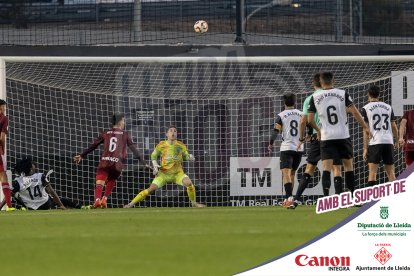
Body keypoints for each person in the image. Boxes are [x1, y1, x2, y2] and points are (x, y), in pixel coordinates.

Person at [307, 72, 370, 201]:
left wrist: (318, 130)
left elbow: (309, 120)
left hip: (327, 137)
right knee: (348, 167)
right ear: (333, 80)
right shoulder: (342, 94)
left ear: (321, 82)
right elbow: (355, 112)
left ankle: (326, 200)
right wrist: (365, 127)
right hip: (343, 135)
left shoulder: (315, 97)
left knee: (326, 169)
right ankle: (353, 197)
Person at [288, 74, 342, 209]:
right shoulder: (333, 96)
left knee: (310, 169)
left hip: (316, 139)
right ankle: (340, 201)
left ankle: (296, 199)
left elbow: (303, 121)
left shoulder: (310, 99)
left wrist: (302, 137)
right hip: (332, 136)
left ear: (314, 84)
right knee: (335, 168)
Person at [74, 113, 149, 209]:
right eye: (124, 121)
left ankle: (97, 200)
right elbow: (134, 150)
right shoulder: (125, 135)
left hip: (105, 162)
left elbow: (94, 145)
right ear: (120, 121)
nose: (124, 123)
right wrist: (144, 163)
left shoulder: (105, 133)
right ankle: (104, 199)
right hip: (118, 164)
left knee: (100, 181)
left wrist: (82, 155)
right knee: (112, 178)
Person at [124, 126, 205, 208]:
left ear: (177, 134)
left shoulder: (181, 145)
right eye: (171, 131)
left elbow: (185, 156)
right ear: (167, 134)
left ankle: (194, 203)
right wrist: (155, 166)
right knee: (151, 189)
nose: (173, 132)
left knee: (189, 183)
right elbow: (153, 156)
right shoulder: (161, 145)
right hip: (163, 174)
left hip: (177, 173)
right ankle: (130, 204)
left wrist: (190, 157)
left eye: (175, 131)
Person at [0, 157, 81, 210]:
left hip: (32, 208)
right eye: (33, 164)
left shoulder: (19, 181)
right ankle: (79, 207)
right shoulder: (40, 176)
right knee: (61, 199)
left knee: (15, 194)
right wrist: (61, 205)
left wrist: (0, 206)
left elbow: (8, 194)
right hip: (46, 204)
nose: (34, 165)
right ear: (30, 167)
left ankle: (22, 208)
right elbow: (51, 191)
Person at [268, 93, 303, 207]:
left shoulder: (281, 115)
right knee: (292, 173)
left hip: (287, 147)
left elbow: (276, 131)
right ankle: (289, 199)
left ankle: (289, 197)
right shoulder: (301, 114)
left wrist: (271, 143)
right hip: (299, 148)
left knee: (286, 173)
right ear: (295, 102)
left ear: (284, 103)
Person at [361, 85, 398, 185]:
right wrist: (397, 140)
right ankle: (395, 197)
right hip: (388, 141)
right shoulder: (388, 107)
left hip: (375, 142)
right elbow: (394, 126)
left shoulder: (366, 108)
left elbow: (365, 130)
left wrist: (365, 148)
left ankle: (372, 200)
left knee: (372, 173)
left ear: (368, 95)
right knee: (391, 173)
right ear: (379, 95)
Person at [0, 100, 14, 211]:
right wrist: (3, 149)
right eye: (4, 107)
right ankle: (9, 206)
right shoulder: (4, 118)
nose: (5, 109)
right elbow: (2, 137)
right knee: (3, 177)